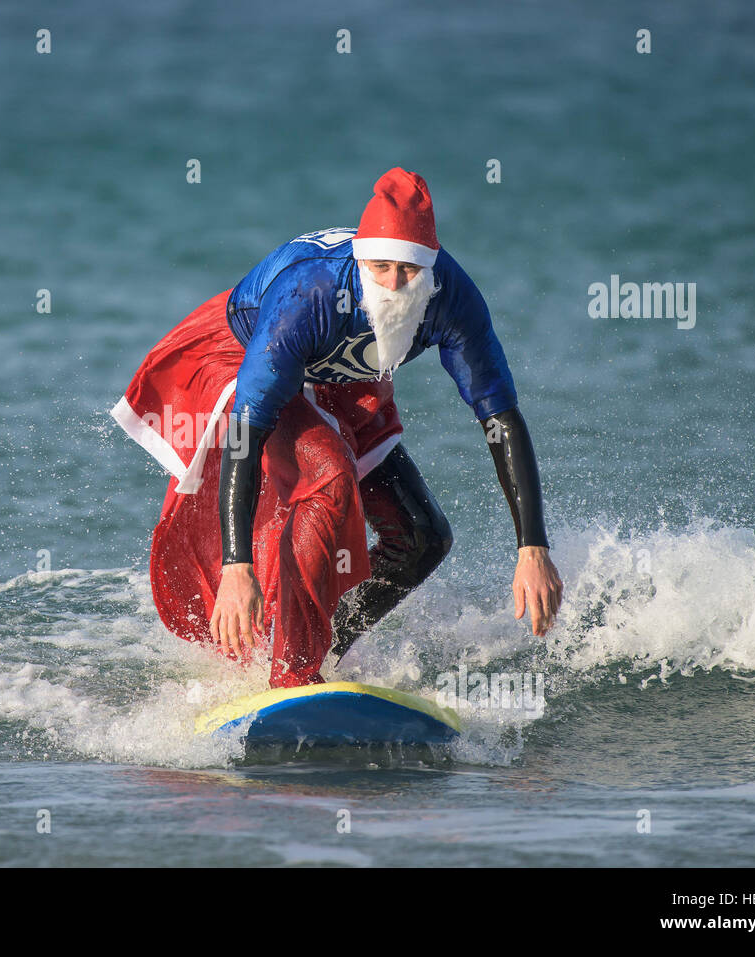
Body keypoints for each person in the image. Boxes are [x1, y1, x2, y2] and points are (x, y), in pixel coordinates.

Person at [111, 167, 562, 689]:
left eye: (410, 271)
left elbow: (499, 416)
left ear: (432, 266)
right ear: (359, 258)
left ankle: (323, 653)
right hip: (243, 355)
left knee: (422, 539)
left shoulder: (453, 300)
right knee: (328, 473)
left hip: (337, 376)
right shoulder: (310, 293)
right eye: (380, 267)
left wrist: (533, 548)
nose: (393, 285)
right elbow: (246, 430)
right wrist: (237, 569)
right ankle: (291, 676)